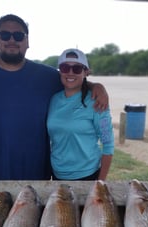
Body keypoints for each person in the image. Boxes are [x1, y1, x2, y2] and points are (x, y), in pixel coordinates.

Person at [0, 14, 108, 180]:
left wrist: (96, 87)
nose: (12, 40)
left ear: (27, 41)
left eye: (18, 35)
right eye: (5, 35)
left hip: (33, 181)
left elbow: (73, 80)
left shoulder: (46, 77)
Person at [47, 49, 114, 181]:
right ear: (60, 71)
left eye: (77, 68)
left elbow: (108, 144)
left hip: (87, 175)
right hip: (57, 173)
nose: (70, 73)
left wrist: (100, 182)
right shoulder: (54, 99)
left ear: (86, 72)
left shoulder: (96, 101)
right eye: (65, 67)